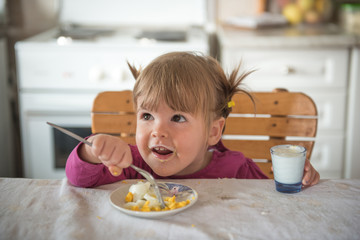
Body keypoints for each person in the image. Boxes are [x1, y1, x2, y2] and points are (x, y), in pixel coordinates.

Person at [66, 52, 320, 188]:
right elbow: (78, 178)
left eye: (177, 117)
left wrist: (297, 179)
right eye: (147, 116)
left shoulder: (236, 170)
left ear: (213, 131)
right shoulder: (129, 165)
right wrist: (94, 151)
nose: (157, 131)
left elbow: (270, 203)